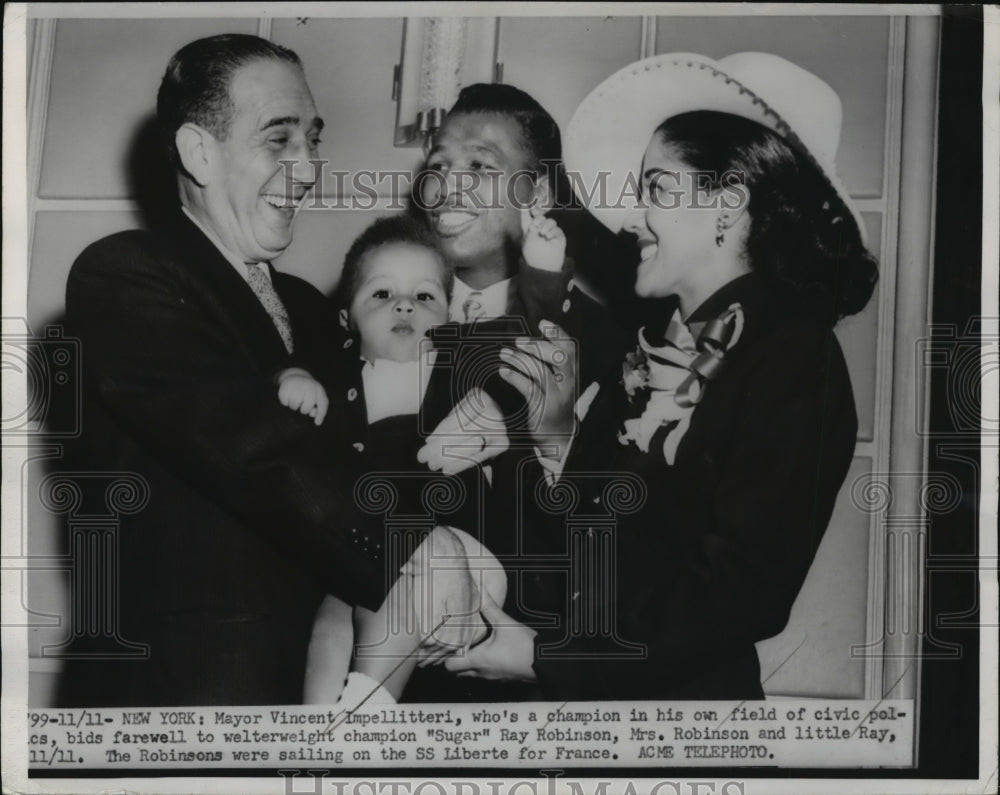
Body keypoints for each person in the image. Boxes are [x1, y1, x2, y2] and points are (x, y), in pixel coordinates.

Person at [438, 52, 879, 700]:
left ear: (729, 201)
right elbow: (606, 544)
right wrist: (557, 438)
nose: (631, 218)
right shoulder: (654, 344)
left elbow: (743, 591)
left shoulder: (792, 357)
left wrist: (545, 656)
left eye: (656, 189)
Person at [57, 34, 478, 707]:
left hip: (317, 691)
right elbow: (250, 445)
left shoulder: (315, 310)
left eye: (312, 141)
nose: (309, 168)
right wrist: (412, 547)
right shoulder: (127, 274)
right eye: (279, 140)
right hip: (186, 701)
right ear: (200, 152)